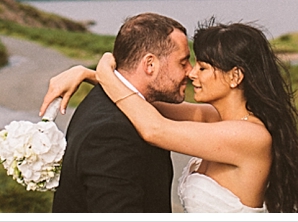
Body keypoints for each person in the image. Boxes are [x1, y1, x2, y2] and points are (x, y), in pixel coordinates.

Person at [41, 19, 298, 213]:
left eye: (203, 67)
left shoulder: (251, 137)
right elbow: (141, 102)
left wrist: (103, 67)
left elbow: (154, 129)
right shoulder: (214, 118)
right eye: (189, 63)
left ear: (235, 76)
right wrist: (86, 74)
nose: (191, 73)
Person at [48, 12, 192, 213]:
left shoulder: (107, 99)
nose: (191, 71)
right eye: (183, 62)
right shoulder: (111, 133)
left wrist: (93, 72)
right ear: (150, 64)